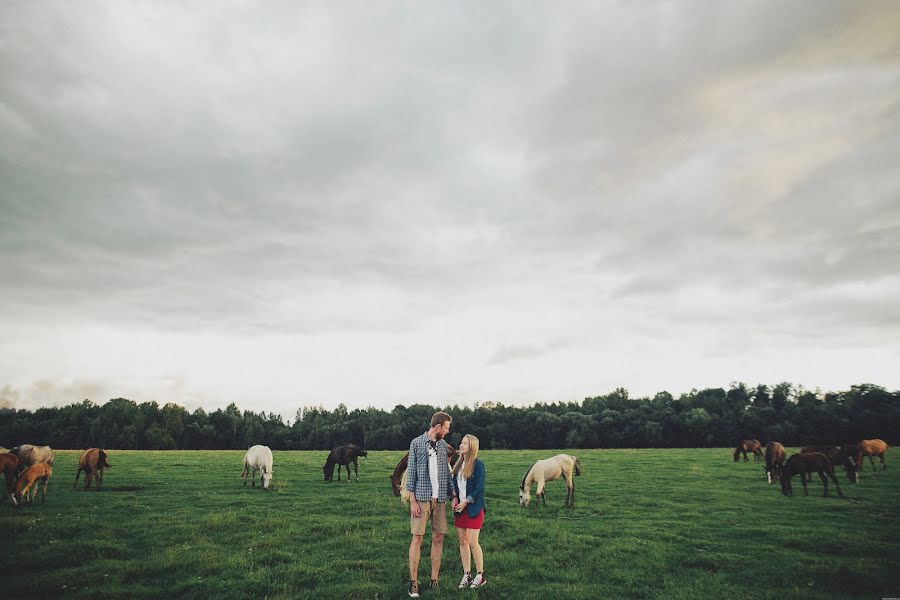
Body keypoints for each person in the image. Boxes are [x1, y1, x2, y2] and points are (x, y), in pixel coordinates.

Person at [406, 411, 455, 598]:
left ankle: (434, 579)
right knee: (417, 538)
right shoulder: (416, 443)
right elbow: (411, 474)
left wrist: (454, 495)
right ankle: (414, 583)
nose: (447, 431)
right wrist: (413, 501)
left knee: (438, 538)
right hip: (421, 498)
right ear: (438, 427)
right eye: (446, 428)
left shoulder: (443, 445)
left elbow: (447, 473)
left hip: (440, 499)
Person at [451, 434, 487, 589]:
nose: (461, 445)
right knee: (463, 541)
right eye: (461, 443)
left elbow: (480, 488)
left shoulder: (478, 465)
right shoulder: (458, 465)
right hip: (460, 509)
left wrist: (466, 501)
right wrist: (455, 499)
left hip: (473, 508)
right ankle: (467, 574)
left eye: (465, 443)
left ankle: (480, 575)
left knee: (473, 542)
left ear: (471, 446)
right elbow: (454, 486)